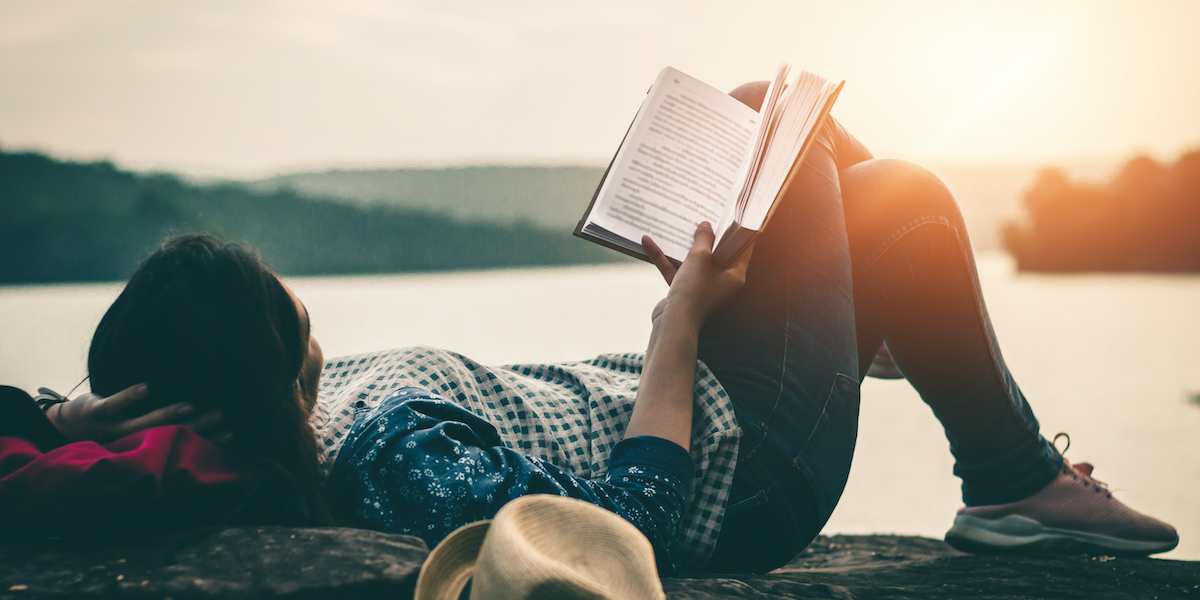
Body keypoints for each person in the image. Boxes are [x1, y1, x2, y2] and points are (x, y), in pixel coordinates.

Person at [2, 82, 1178, 575]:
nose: (303, 317)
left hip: (700, 381)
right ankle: (1005, 466)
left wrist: (65, 412)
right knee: (837, 156)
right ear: (248, 374)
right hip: (744, 466)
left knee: (814, 146)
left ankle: (951, 406)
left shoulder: (288, 408)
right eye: (282, 311)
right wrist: (678, 326)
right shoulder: (390, 460)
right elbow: (634, 534)